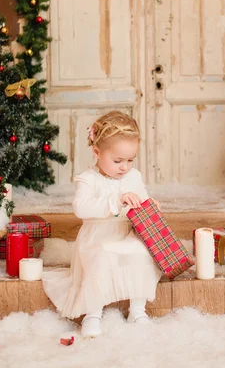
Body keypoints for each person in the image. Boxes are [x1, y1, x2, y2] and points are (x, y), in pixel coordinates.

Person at [42, 111, 162, 338]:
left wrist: (149, 204)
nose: (124, 167)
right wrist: (115, 200)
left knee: (143, 253)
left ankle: (138, 310)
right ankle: (92, 313)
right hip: (99, 236)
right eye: (117, 161)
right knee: (100, 259)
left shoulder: (133, 176)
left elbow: (141, 198)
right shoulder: (89, 179)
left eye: (130, 160)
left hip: (127, 234)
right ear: (97, 152)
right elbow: (81, 208)